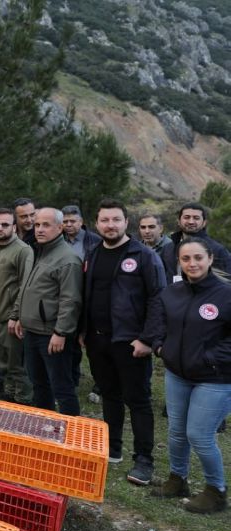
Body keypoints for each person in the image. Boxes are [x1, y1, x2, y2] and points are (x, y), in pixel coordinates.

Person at [80, 199, 164, 486]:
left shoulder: (142, 255)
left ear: (126, 222)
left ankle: (144, 460)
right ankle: (112, 448)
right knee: (110, 395)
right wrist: (84, 330)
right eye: (105, 220)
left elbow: (157, 298)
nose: (110, 225)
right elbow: (88, 295)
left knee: (138, 400)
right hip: (98, 340)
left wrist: (147, 339)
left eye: (116, 220)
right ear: (97, 223)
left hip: (131, 343)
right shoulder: (92, 253)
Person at [147, 238, 231, 513]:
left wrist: (208, 358)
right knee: (176, 431)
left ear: (209, 259)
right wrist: (161, 347)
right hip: (177, 374)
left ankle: (215, 491)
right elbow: (158, 323)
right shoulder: (172, 292)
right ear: (179, 262)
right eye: (186, 259)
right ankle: (177, 479)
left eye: (198, 258)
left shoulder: (225, 294)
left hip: (215, 378)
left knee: (199, 434)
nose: (192, 264)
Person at [16, 208, 83, 415]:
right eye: (37, 225)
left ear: (60, 227)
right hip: (31, 331)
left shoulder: (68, 259)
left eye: (46, 225)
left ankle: (72, 435)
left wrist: (61, 332)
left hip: (52, 335)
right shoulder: (36, 251)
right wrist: (20, 317)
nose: (40, 229)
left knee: (61, 387)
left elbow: (70, 300)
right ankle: (45, 428)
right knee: (39, 384)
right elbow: (28, 288)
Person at [0, 208, 33, 404]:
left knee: (16, 365)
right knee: (3, 363)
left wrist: (16, 316)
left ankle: (23, 400)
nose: (0, 228)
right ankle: (10, 394)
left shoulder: (23, 251)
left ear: (14, 227)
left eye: (5, 224)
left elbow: (25, 286)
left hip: (12, 319)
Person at [62, 204, 102, 390]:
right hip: (65, 296)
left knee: (92, 343)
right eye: (65, 221)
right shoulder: (58, 239)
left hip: (88, 297)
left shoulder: (94, 241)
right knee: (69, 340)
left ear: (81, 222)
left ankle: (100, 383)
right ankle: (71, 377)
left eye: (73, 221)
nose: (69, 225)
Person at [159, 202, 231, 282]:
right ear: (179, 221)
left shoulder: (217, 250)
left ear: (204, 223)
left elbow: (226, 283)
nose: (191, 222)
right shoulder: (167, 249)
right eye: (187, 217)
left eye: (196, 218)